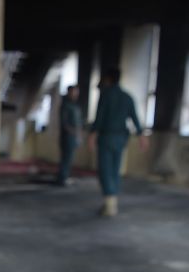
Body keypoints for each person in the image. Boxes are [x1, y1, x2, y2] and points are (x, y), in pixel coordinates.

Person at [87, 67, 148, 217]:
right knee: (115, 170)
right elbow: (135, 118)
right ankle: (112, 201)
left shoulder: (106, 95)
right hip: (121, 139)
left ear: (108, 78)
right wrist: (141, 136)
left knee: (105, 170)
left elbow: (99, 118)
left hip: (107, 138)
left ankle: (110, 204)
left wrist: (92, 135)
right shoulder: (127, 97)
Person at [57, 86, 83, 186]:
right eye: (74, 92)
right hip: (67, 137)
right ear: (69, 92)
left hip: (73, 136)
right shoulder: (65, 105)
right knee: (66, 158)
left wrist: (78, 135)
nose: (75, 94)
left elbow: (78, 122)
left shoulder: (75, 105)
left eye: (77, 92)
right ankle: (62, 178)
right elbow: (65, 123)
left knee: (69, 158)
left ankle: (65, 177)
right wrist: (75, 133)